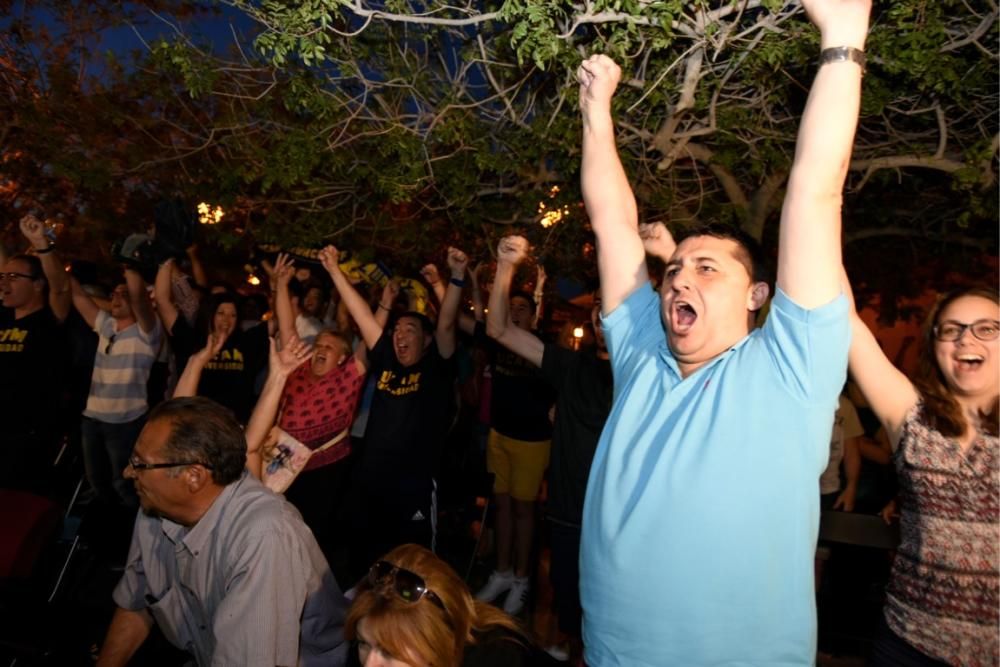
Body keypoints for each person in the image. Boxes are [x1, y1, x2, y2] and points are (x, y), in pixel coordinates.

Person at [575, 0, 866, 662]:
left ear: (758, 294)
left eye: (707, 269)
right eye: (675, 268)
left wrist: (844, 41)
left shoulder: (790, 365)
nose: (679, 279)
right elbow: (613, 224)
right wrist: (597, 112)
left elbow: (816, 192)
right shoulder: (644, 352)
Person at [96, 396, 350, 667]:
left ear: (193, 476)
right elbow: (138, 600)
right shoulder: (155, 507)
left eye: (140, 463)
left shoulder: (263, 535)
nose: (127, 473)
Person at [478, 235, 617, 660]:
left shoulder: (650, 375)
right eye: (598, 315)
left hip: (618, 523)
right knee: (569, 604)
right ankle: (563, 644)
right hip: (567, 512)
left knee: (612, 618)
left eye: (611, 315)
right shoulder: (573, 367)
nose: (601, 322)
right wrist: (505, 268)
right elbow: (499, 329)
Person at [846, 286, 998, 665]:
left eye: (987, 328)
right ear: (936, 345)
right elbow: (841, 317)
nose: (966, 337)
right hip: (907, 643)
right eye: (952, 329)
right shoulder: (913, 419)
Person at [320, 244, 466, 577]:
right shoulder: (386, 358)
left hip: (411, 487)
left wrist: (454, 279)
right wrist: (334, 271)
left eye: (410, 330)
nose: (400, 335)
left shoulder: (436, 368)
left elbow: (445, 325)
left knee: (411, 566)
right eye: (397, 330)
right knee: (364, 560)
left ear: (426, 341)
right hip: (370, 481)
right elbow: (361, 315)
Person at [475, 237, 556, 616]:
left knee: (525, 511)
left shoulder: (545, 348)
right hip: (500, 434)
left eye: (524, 308)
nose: (517, 312)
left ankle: (524, 579)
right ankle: (503, 572)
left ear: (533, 314)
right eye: (514, 307)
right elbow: (479, 321)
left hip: (531, 441)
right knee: (502, 506)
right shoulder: (499, 344)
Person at [346, 544, 545, 667]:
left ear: (434, 642)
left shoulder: (499, 657)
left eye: (389, 651)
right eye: (363, 643)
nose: (370, 664)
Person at [0, 215, 70, 492]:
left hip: (29, 437)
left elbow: (62, 287)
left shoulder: (49, 319)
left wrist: (42, 244)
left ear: (38, 284)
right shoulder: (3, 316)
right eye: (2, 277)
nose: (4, 283)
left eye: (14, 277)